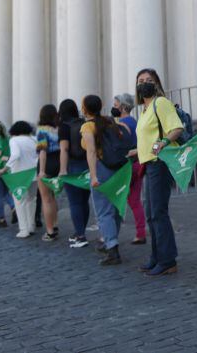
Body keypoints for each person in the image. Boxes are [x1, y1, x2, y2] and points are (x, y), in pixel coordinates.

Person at [134, 68, 185, 277]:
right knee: (150, 214)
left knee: (158, 212)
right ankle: (157, 256)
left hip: (160, 163)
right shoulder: (144, 110)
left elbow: (176, 128)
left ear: (156, 83)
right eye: (141, 81)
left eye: (148, 80)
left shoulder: (160, 103)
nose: (144, 83)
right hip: (149, 164)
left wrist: (162, 142)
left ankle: (167, 260)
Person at [83, 95, 128, 266]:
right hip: (118, 167)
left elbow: (91, 152)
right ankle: (112, 241)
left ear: (85, 109)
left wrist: (93, 176)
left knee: (103, 211)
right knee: (115, 207)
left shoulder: (88, 126)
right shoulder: (110, 121)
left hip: (102, 168)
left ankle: (112, 248)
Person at [59, 99, 93, 248]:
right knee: (84, 201)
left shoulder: (64, 126)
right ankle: (80, 230)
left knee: (74, 202)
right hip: (87, 164)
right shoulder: (83, 123)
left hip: (72, 166)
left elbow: (64, 149)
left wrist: (62, 169)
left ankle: (80, 235)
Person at [113, 94, 145, 245]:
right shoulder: (135, 121)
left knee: (115, 200)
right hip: (138, 164)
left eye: (116, 104)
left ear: (123, 107)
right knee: (135, 201)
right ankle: (141, 233)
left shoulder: (122, 124)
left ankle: (110, 235)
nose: (114, 106)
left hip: (126, 166)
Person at [0, 121, 39, 238]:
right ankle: (31, 226)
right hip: (33, 173)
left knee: (20, 201)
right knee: (32, 199)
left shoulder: (14, 140)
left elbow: (15, 155)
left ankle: (23, 229)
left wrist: (4, 169)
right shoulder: (34, 139)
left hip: (19, 175)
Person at [36, 105, 63, 241]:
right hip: (59, 161)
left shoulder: (41, 130)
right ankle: (55, 223)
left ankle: (50, 230)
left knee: (46, 199)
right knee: (53, 196)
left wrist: (41, 170)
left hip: (47, 163)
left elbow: (42, 151)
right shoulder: (59, 129)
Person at [0, 122, 17, 227]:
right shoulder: (8, 139)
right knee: (5, 192)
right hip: (6, 168)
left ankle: (2, 219)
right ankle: (14, 208)